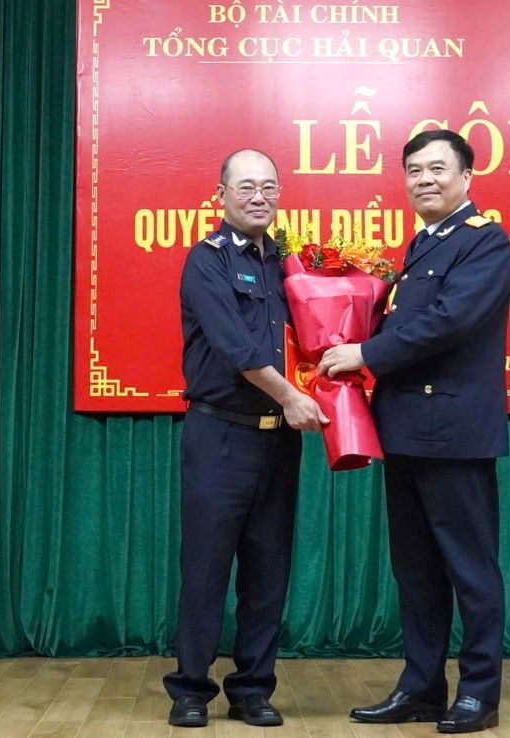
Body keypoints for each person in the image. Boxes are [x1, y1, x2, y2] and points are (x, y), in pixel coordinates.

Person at [318, 129, 510, 734]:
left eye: (437, 168)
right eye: (414, 170)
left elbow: (450, 322)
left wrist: (364, 353)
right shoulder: (423, 244)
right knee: (416, 571)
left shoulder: (484, 241)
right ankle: (422, 687)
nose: (424, 179)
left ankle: (479, 694)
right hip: (404, 428)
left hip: (454, 432)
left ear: (466, 177)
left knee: (470, 569)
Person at [165, 149, 328, 728]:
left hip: (278, 442)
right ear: (222, 195)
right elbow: (236, 347)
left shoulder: (290, 264)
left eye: (269, 187)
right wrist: (291, 397)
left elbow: (317, 332)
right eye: (246, 187)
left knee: (268, 572)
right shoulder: (206, 260)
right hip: (220, 435)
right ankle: (190, 690)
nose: (259, 197)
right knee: (206, 570)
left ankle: (253, 689)